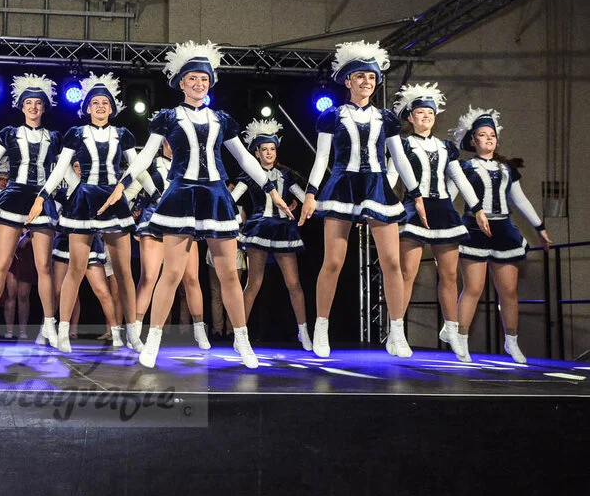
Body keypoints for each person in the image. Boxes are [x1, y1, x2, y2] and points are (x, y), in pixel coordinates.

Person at [104, 41, 292, 368]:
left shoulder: (222, 119)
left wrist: (271, 190)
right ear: (181, 83)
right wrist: (122, 185)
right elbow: (145, 156)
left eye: (204, 79)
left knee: (229, 274)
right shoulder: (168, 118)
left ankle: (242, 341)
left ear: (210, 83)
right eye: (192, 78)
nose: (198, 83)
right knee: (172, 273)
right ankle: (154, 340)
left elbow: (244, 159)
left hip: (216, 195)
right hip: (180, 194)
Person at [298, 41, 427, 359]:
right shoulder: (331, 116)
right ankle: (321, 327)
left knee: (392, 262)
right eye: (360, 76)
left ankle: (396, 332)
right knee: (333, 262)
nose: (366, 82)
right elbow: (322, 158)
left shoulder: (387, 119)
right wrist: (311, 192)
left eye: (371, 77)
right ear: (348, 81)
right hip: (342, 185)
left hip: (377, 186)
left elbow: (399, 158)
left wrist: (416, 194)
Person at [27, 72, 155, 353]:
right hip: (84, 201)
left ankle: (132, 333)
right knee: (75, 269)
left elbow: (138, 169)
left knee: (123, 272)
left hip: (114, 200)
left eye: (105, 102)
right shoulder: (76, 133)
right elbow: (60, 169)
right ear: (86, 108)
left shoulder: (123, 134)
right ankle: (62, 331)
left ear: (112, 107)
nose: (100, 106)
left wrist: (157, 195)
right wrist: (42, 196)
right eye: (95, 102)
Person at [0, 74, 72, 348]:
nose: (33, 107)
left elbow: (65, 174)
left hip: (41, 199)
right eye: (29, 103)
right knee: (1, 263)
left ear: (44, 107)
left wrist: (80, 195)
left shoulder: (54, 137)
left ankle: (48, 325)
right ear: (21, 106)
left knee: (44, 267)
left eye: (38, 103)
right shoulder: (9, 133)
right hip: (13, 198)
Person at [389, 84, 490, 361]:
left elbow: (459, 179)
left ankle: (452, 329)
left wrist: (478, 209)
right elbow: (391, 177)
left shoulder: (446, 147)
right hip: (414, 210)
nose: (426, 116)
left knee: (449, 275)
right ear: (410, 117)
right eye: (420, 112)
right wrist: (378, 204)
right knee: (407, 273)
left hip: (444, 211)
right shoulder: (402, 144)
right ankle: (396, 331)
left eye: (430, 112)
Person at [451, 107, 550, 364]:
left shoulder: (507, 169)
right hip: (474, 230)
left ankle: (512, 341)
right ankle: (461, 340)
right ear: (473, 140)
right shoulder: (464, 167)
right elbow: (449, 199)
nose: (489, 138)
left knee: (509, 291)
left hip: (504, 230)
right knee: (473, 288)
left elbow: (520, 200)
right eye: (482, 135)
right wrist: (443, 228)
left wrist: (539, 227)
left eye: (492, 135)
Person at [233, 118, 312, 350]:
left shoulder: (286, 174)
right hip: (259, 228)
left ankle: (303, 332)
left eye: (272, 149)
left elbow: (303, 196)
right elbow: (232, 197)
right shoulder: (250, 174)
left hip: (283, 230)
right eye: (264, 149)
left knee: (294, 283)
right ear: (256, 153)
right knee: (254, 283)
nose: (269, 153)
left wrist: (311, 205)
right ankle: (241, 335)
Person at [130, 139, 210, 350]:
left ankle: (199, 330)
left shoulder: (192, 165)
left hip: (183, 223)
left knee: (191, 278)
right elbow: (133, 188)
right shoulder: (152, 165)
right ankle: (135, 331)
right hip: (154, 222)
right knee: (149, 277)